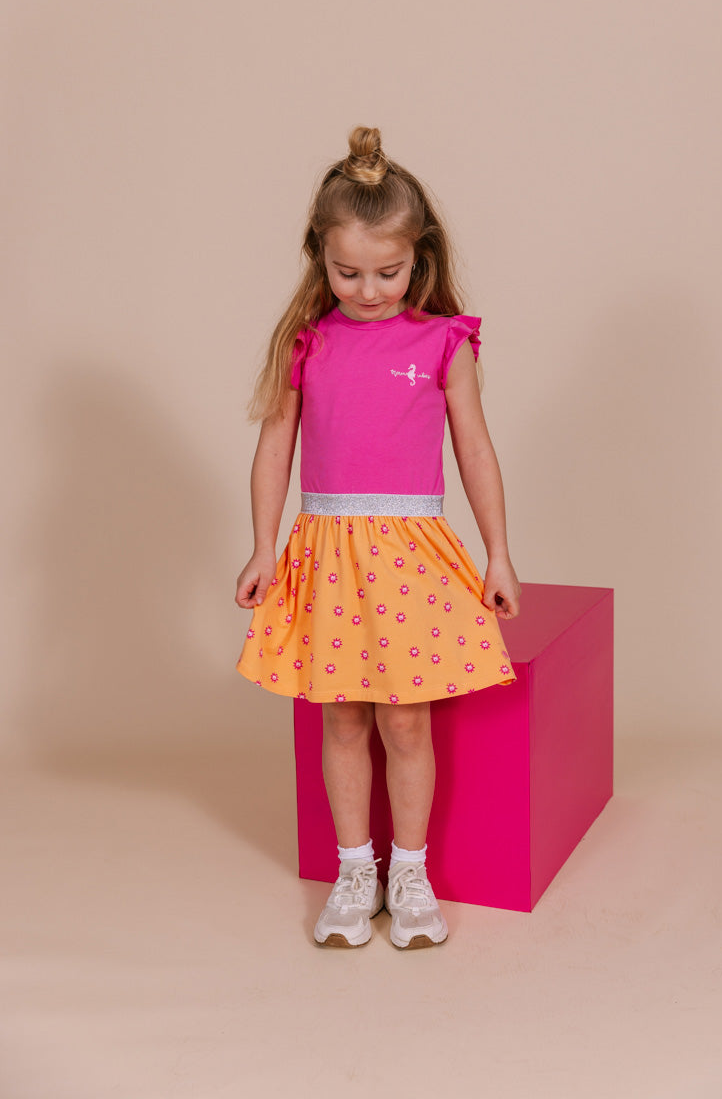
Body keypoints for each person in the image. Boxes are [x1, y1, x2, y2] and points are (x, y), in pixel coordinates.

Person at [235, 126, 521, 950]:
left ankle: (411, 871)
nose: (366, 290)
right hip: (327, 553)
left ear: (418, 257)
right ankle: (354, 870)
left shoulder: (443, 342)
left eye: (387, 273)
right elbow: (275, 448)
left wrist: (499, 553)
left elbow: (474, 450)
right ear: (319, 257)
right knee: (343, 723)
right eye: (347, 272)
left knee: (406, 725)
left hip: (411, 557)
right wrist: (263, 546)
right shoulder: (308, 343)